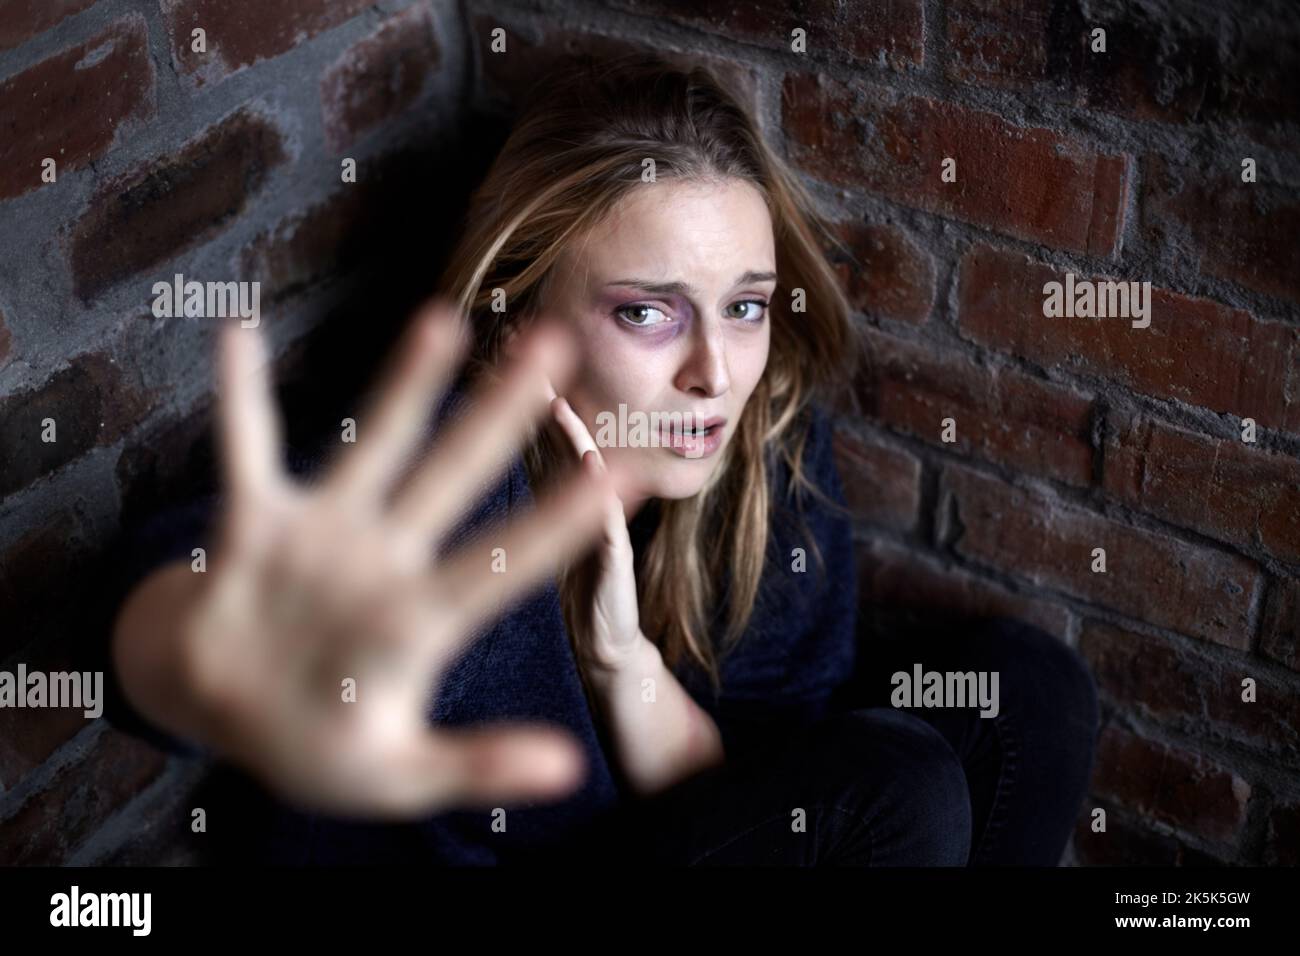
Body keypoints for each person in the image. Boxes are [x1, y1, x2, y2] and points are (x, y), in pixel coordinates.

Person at [101, 52, 1099, 866]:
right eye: (647, 311)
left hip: (660, 833)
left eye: (745, 303)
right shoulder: (452, 464)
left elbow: (767, 779)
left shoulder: (763, 421)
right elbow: (163, 609)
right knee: (899, 785)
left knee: (1025, 689)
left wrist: (624, 661)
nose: (715, 369)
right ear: (517, 314)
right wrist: (240, 655)